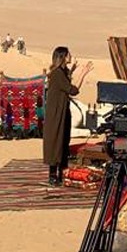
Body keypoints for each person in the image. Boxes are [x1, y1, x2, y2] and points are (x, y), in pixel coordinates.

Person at [42, 47, 91, 187]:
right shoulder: (57, 74)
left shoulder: (61, 72)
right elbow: (72, 90)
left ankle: (61, 174)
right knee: (56, 142)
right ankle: (53, 175)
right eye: (69, 55)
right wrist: (83, 74)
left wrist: (73, 69)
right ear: (63, 57)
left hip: (62, 111)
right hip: (56, 113)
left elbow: (66, 78)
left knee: (63, 141)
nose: (71, 56)